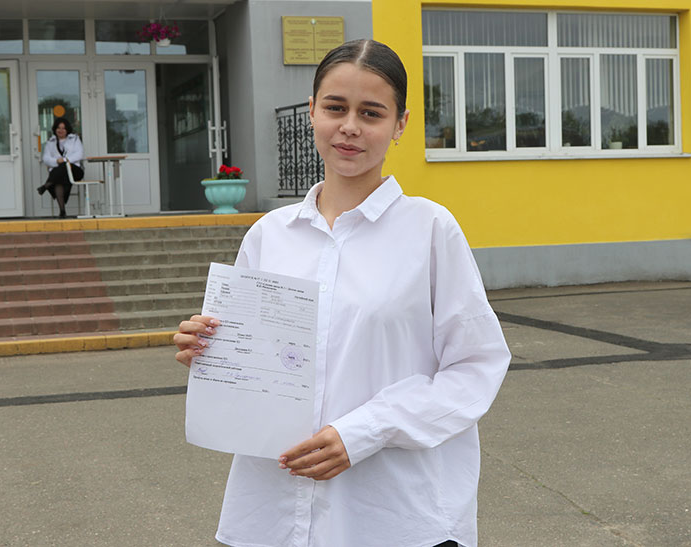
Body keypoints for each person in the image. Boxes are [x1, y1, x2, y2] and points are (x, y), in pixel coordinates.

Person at [173, 39, 511, 547]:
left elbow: (475, 368)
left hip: (394, 513)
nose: (350, 126)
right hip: (275, 510)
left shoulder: (429, 230)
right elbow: (256, 364)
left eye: (371, 113)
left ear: (399, 125)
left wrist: (365, 431)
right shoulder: (269, 236)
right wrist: (210, 350)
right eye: (335, 107)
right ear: (312, 111)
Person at [38, 117, 85, 218]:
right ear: (55, 129)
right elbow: (46, 158)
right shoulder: (50, 142)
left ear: (67, 129)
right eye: (58, 128)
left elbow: (79, 154)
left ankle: (46, 185)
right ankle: (62, 211)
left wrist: (64, 160)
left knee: (64, 165)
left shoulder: (74, 139)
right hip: (59, 172)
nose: (61, 130)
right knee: (58, 180)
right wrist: (56, 161)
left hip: (74, 170)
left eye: (63, 128)